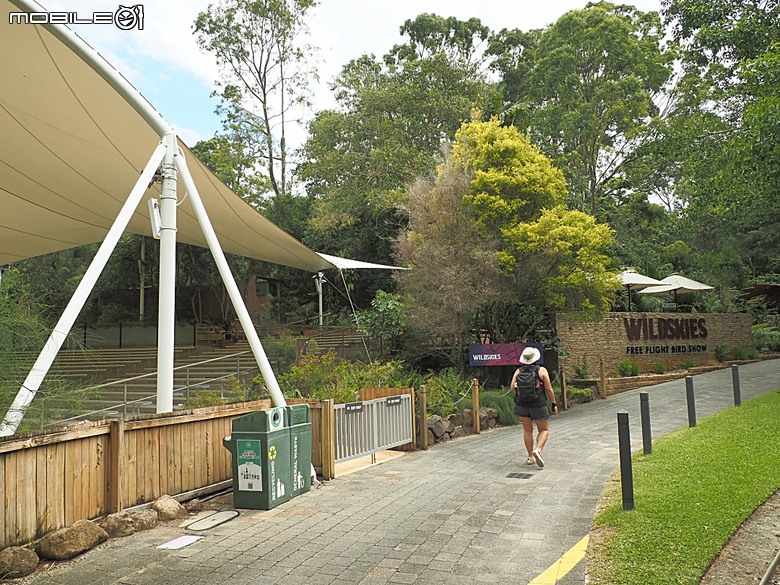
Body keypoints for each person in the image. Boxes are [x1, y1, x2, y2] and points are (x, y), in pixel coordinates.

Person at [511, 346, 558, 468]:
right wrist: (554, 404)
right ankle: (538, 450)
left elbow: (512, 388)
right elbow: (548, 388)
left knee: (527, 430)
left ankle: (530, 457)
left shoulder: (518, 371)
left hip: (522, 405)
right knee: (544, 429)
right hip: (538, 405)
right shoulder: (541, 371)